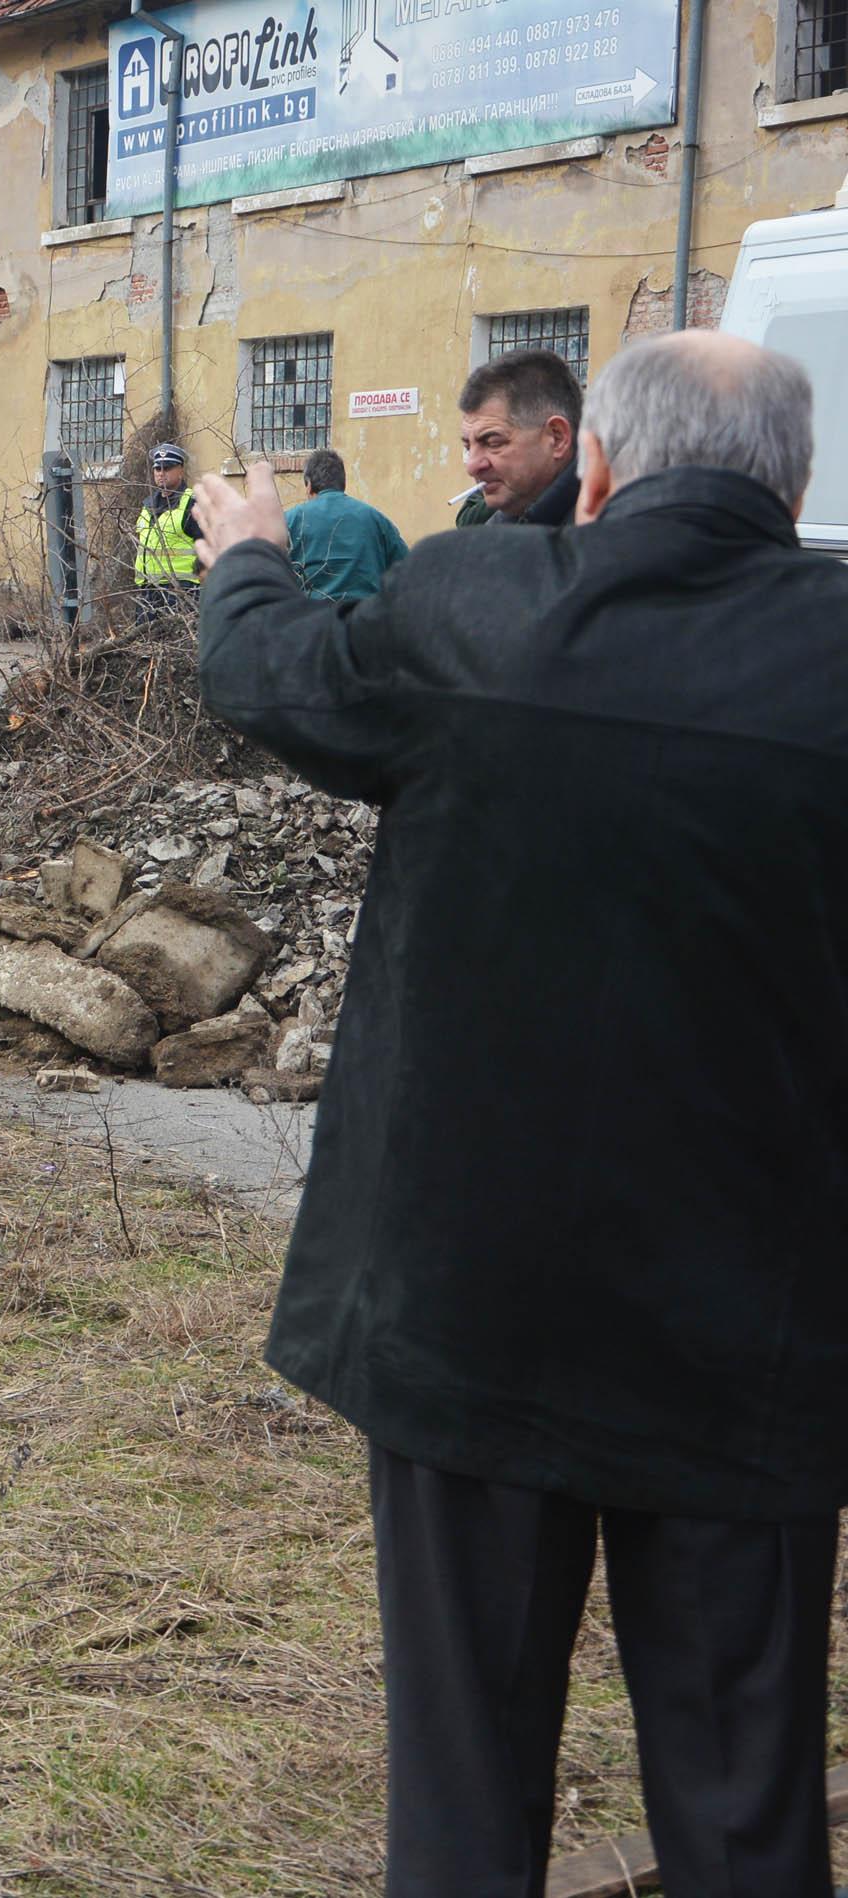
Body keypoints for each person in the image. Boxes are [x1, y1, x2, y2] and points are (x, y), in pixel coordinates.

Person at [189, 329, 848, 1897]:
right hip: (748, 1347)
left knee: (468, 1793)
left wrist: (252, 555)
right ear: (796, 482)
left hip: (466, 1325)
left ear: (598, 467)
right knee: (747, 1799)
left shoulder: (473, 606)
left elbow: (267, 672)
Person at [457, 347, 583, 527]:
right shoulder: (496, 533)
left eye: (493, 443)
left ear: (557, 438)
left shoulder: (616, 532)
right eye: (468, 447)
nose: (472, 466)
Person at [280, 448, 409, 602]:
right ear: (342, 484)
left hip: (311, 619)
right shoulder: (377, 520)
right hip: (365, 618)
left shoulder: (290, 520)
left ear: (308, 486)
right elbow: (408, 570)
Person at [130, 442, 200, 618]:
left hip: (181, 591)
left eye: (167, 468)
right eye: (158, 469)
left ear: (181, 470)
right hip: (148, 590)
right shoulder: (148, 506)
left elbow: (208, 547)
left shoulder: (192, 503)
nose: (161, 473)